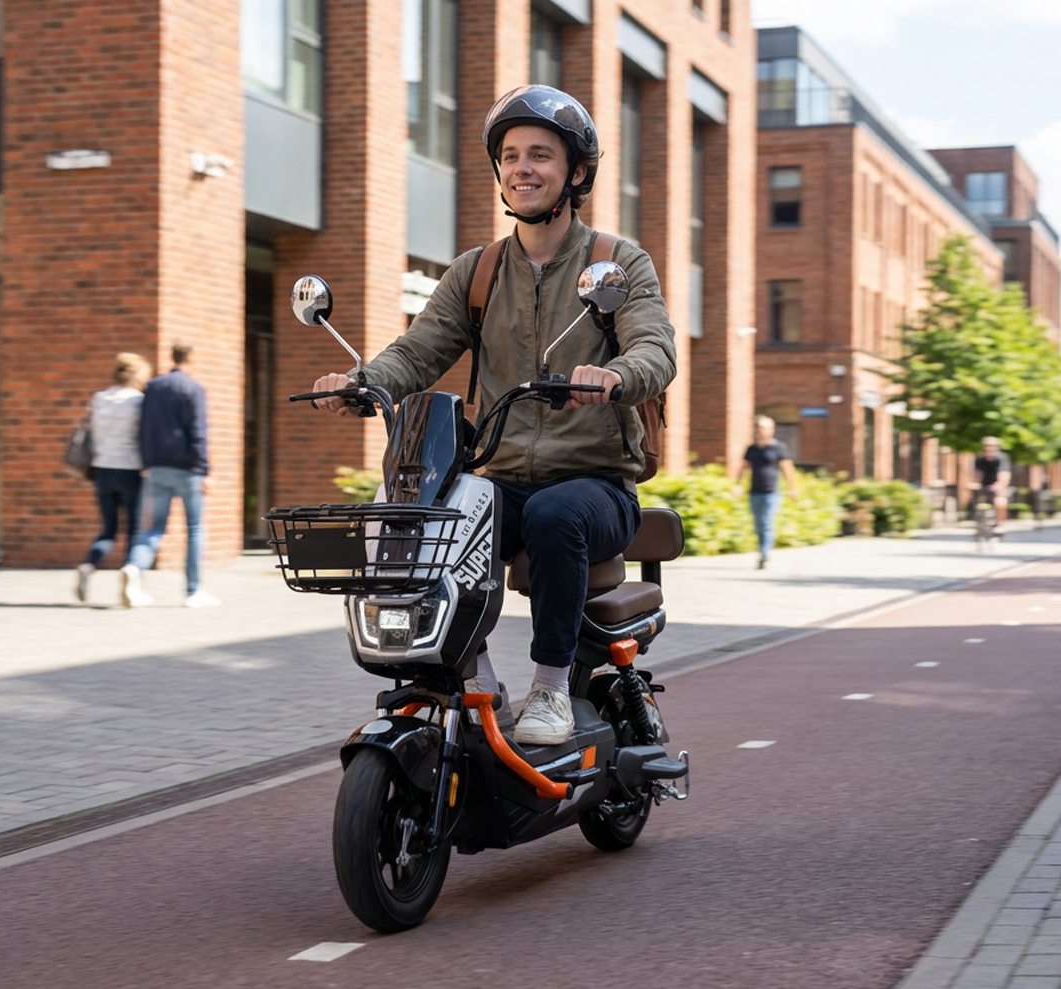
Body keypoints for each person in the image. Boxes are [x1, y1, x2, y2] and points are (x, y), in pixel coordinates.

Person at [309, 85, 677, 745]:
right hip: (503, 473)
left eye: (541, 154)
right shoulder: (477, 271)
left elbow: (655, 348)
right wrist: (362, 382)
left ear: (577, 173)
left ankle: (550, 691)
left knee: (554, 512)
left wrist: (614, 375)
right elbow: (417, 352)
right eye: (510, 155)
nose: (522, 168)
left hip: (595, 486)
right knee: (437, 517)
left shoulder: (616, 264)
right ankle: (476, 680)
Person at [120, 342, 220, 609]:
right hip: (188, 470)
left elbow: (142, 427)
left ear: (172, 357)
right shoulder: (193, 388)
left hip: (156, 469)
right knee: (196, 529)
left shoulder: (152, 387)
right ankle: (194, 591)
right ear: (192, 357)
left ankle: (134, 567)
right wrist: (205, 470)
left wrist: (146, 461)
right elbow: (198, 432)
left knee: (152, 529)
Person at [75, 352, 152, 603]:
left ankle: (88, 565)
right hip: (130, 470)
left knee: (108, 530)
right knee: (134, 530)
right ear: (138, 375)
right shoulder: (139, 402)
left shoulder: (100, 398)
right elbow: (144, 436)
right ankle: (131, 576)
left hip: (102, 471)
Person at [741, 415, 797, 569]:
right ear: (756, 430)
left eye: (766, 428)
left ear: (772, 430)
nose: (763, 431)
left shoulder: (779, 448)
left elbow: (787, 468)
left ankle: (764, 554)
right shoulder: (751, 448)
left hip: (771, 492)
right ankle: (763, 550)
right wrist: (738, 485)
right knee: (758, 524)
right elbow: (744, 467)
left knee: (766, 523)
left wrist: (792, 488)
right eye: (760, 428)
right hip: (754, 492)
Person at [973, 436, 1011, 525]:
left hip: (998, 484)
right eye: (987, 446)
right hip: (984, 484)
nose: (989, 448)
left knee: (1000, 503)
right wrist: (976, 483)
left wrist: (1000, 484)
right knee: (980, 503)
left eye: (992, 446)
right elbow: (977, 473)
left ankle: (999, 523)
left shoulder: (1001, 458)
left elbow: (1004, 473)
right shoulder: (980, 459)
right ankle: (981, 523)